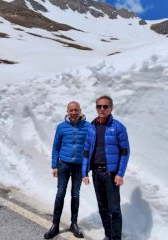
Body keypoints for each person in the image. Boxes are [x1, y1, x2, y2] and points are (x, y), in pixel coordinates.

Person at [82, 95, 130, 240]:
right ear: (96, 108)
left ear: (111, 108)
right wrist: (85, 172)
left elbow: (125, 151)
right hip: (96, 174)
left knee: (114, 210)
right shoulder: (92, 127)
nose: (102, 109)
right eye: (99, 106)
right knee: (103, 208)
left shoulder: (118, 127)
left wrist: (120, 173)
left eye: (105, 106)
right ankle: (108, 236)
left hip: (111, 174)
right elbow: (85, 151)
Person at [44, 101, 90, 239]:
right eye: (71, 110)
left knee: (75, 194)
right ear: (67, 111)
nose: (74, 112)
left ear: (80, 110)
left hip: (78, 166)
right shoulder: (61, 127)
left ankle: (73, 224)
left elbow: (90, 149)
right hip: (63, 165)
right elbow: (56, 147)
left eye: (76, 110)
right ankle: (55, 225)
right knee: (60, 194)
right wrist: (54, 166)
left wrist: (86, 169)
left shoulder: (88, 127)